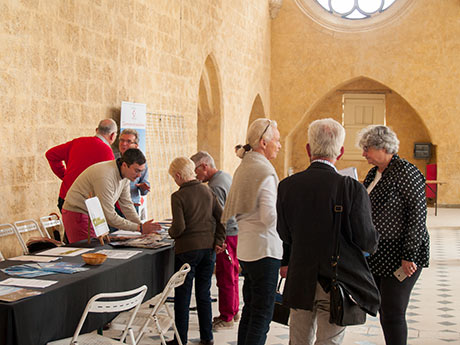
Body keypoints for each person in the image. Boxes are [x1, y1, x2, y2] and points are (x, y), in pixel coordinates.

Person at [277, 118, 380, 345]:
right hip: (336, 280)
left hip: (300, 276)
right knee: (330, 342)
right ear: (340, 152)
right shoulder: (352, 188)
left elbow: (284, 233)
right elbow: (366, 241)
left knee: (298, 340)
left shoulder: (287, 186)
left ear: (308, 149)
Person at [358, 125, 430, 345]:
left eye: (367, 148)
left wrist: (409, 255)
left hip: (402, 255)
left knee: (393, 311)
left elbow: (417, 215)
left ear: (383, 147)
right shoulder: (374, 172)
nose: (364, 153)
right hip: (380, 253)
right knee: (385, 310)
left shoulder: (406, 171)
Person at [222, 118, 283, 345]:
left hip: (247, 248)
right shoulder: (263, 170)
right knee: (262, 314)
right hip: (265, 249)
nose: (279, 145)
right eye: (276, 141)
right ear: (263, 142)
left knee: (250, 309)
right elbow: (269, 218)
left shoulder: (246, 165)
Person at [166, 157, 226, 345]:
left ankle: (180, 339)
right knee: (203, 293)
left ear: (178, 175)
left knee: (183, 296)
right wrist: (219, 240)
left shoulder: (178, 196)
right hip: (208, 250)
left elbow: (179, 228)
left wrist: (169, 231)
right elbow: (221, 216)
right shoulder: (207, 191)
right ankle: (207, 337)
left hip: (187, 251)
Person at [61, 148, 161, 243]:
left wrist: (141, 226)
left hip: (93, 215)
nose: (139, 175)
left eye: (141, 171)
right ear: (125, 165)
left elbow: (127, 205)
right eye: (137, 171)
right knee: (88, 252)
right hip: (78, 213)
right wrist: (140, 228)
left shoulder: (125, 175)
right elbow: (109, 216)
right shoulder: (105, 176)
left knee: (99, 249)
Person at [190, 151, 240, 330]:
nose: (195, 176)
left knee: (225, 276)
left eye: (195, 171)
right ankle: (233, 310)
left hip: (226, 234)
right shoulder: (224, 176)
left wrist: (217, 240)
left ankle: (226, 317)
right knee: (232, 273)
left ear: (204, 166)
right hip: (232, 232)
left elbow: (218, 216)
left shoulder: (215, 186)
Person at [46, 119, 118, 212]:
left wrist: (64, 176)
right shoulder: (107, 151)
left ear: (97, 130)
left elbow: (51, 154)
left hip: (65, 196)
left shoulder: (77, 142)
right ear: (112, 136)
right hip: (86, 202)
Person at [114, 128, 150, 212]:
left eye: (128, 141)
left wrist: (144, 187)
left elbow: (144, 186)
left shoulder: (141, 161)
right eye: (122, 140)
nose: (124, 144)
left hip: (131, 204)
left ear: (136, 145)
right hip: (113, 205)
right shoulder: (112, 158)